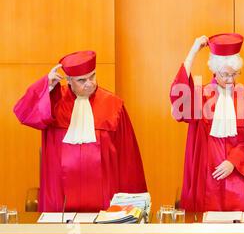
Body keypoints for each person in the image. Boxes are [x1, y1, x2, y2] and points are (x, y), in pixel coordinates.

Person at [14, 51, 147, 212]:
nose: (89, 83)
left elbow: (128, 158)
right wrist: (46, 85)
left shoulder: (113, 105)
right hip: (60, 200)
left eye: (92, 76)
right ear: (69, 80)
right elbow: (23, 113)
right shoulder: (54, 101)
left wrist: (133, 204)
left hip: (105, 201)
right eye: (81, 80)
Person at [170, 34, 244, 212]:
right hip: (207, 178)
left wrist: (233, 161)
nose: (230, 80)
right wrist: (193, 52)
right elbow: (178, 99)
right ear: (215, 70)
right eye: (225, 74)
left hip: (240, 175)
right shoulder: (201, 96)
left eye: (234, 74)